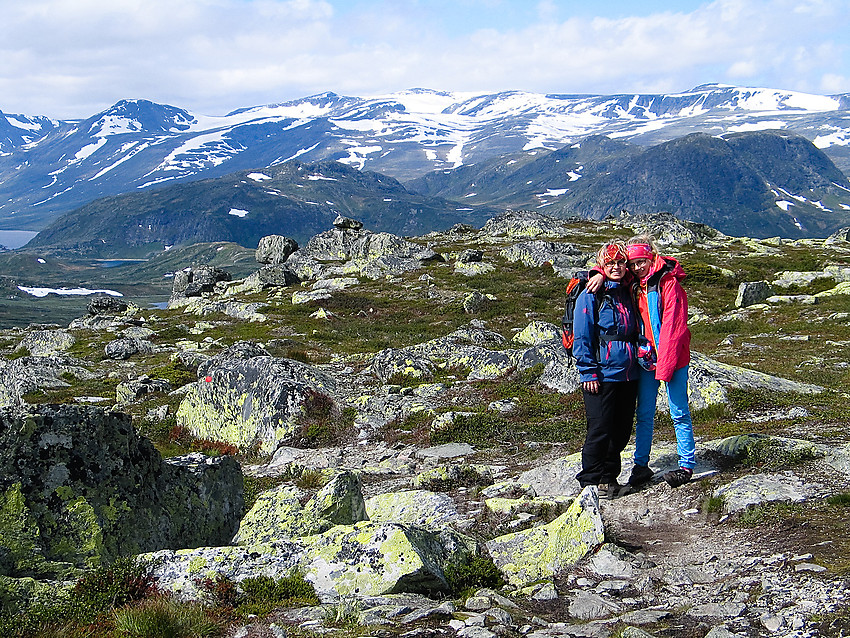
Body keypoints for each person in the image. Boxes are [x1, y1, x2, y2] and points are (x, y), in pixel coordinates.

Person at [624, 234, 696, 488]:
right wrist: (596, 273)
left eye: (641, 261)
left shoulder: (668, 284)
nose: (636, 267)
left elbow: (673, 329)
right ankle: (640, 465)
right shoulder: (634, 283)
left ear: (651, 256)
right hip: (647, 359)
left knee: (678, 412)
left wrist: (665, 365)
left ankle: (686, 466)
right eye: (632, 263)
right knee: (644, 413)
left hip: (673, 358)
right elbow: (607, 265)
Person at [573, 241, 640, 498]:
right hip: (601, 374)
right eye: (609, 263)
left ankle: (609, 478)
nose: (616, 267)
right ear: (601, 264)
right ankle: (589, 482)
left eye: (621, 262)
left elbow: (658, 262)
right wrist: (588, 372)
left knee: (621, 430)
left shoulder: (630, 290)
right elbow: (582, 335)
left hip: (629, 373)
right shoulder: (591, 294)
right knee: (600, 429)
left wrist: (601, 273)